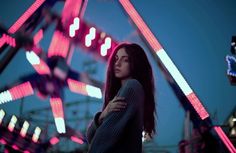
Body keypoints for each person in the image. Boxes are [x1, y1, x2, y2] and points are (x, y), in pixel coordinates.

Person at [86, 43, 156, 153]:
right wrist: (102, 115)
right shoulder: (122, 93)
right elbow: (91, 137)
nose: (117, 63)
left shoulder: (132, 87)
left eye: (125, 60)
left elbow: (102, 138)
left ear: (135, 63)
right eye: (116, 59)